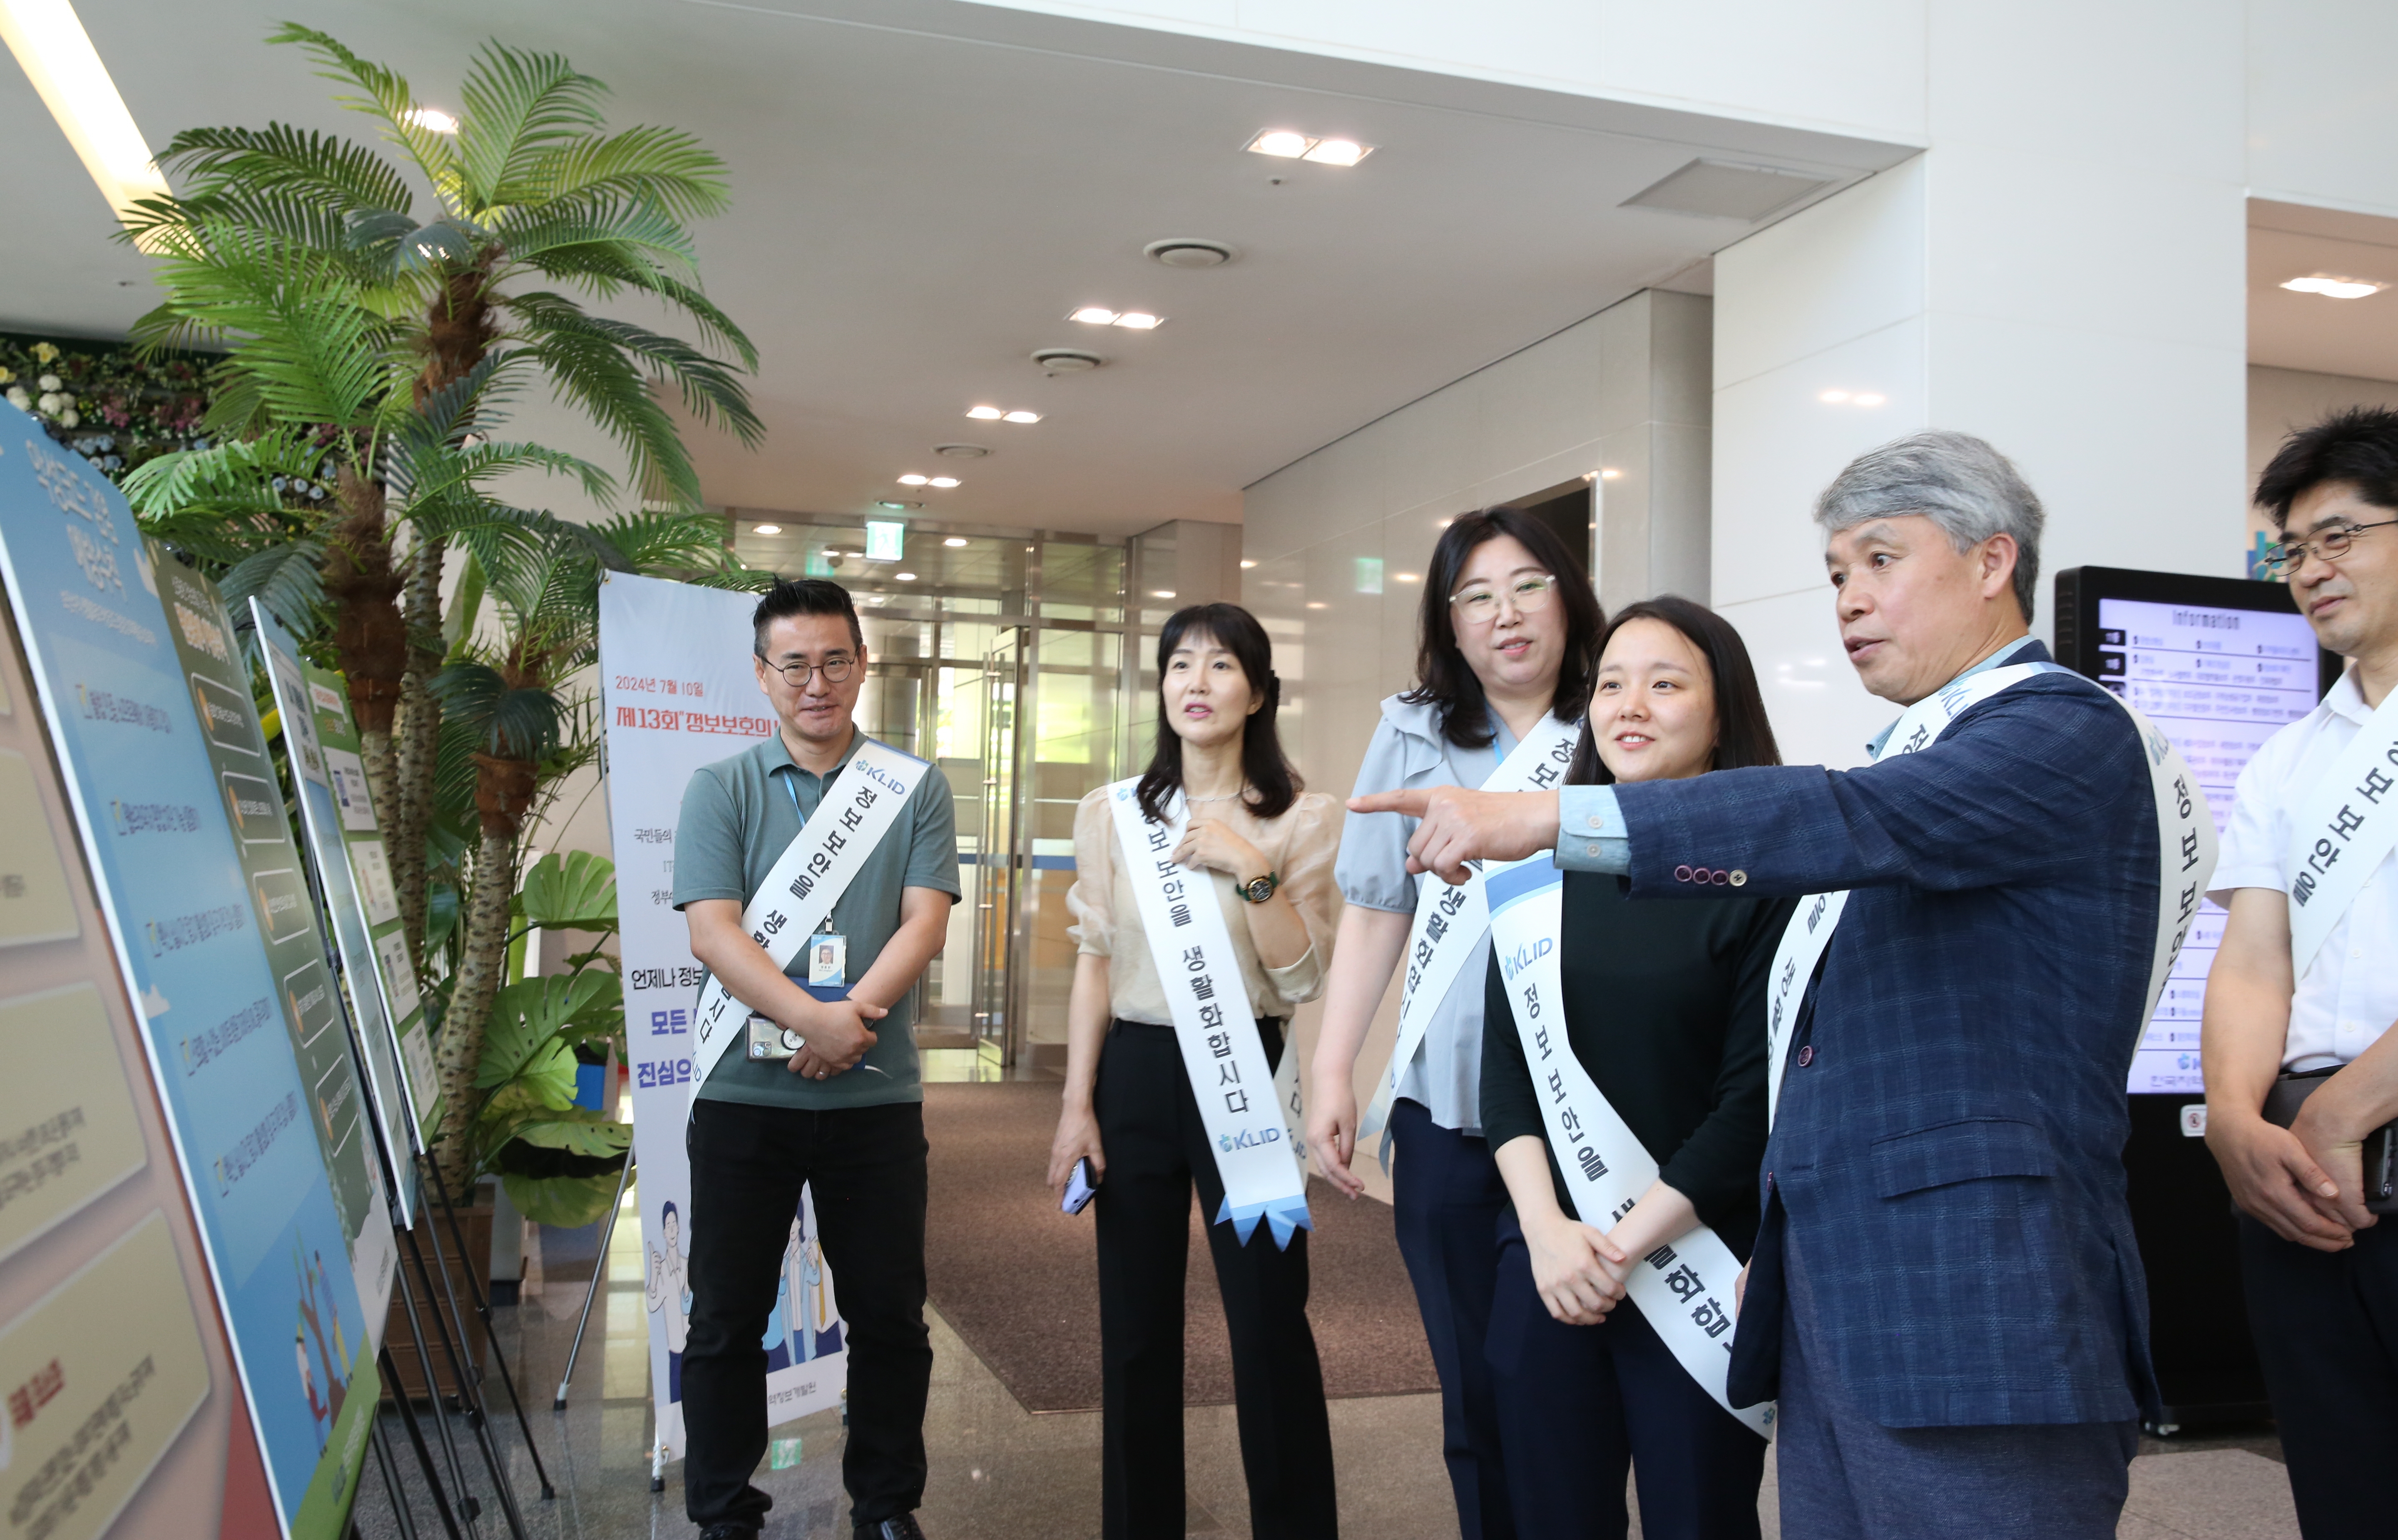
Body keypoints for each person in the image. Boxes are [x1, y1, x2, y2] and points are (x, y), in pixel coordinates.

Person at [1356, 432, 2205, 1539]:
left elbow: (1842, 818)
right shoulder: (1910, 753)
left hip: (1973, 1311)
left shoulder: (2056, 731)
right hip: (1834, 1301)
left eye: (1881, 561)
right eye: (1838, 573)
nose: (1851, 598)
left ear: (1993, 561)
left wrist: (1549, 816)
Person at [1305, 506, 1604, 1540]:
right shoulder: (1415, 728)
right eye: (1474, 595)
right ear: (1447, 619)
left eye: (1527, 584)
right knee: (1474, 1396)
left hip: (1589, 1121)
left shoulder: (1616, 716)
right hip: (1447, 1113)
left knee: (1566, 1400)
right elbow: (1378, 909)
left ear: (1568, 592)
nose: (1505, 614)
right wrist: (1335, 1068)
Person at [1478, 597, 1790, 1539]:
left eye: (1666, 683)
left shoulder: (1771, 881)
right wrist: (1543, 1230)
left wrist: (1619, 1246)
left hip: (1697, 1261)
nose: (1630, 705)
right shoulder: (1542, 876)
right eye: (1612, 683)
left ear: (1723, 711)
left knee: (1700, 1518)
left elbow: (1752, 1106)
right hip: (1546, 1262)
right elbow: (1506, 1078)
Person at [1047, 603, 1343, 1540]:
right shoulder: (1112, 812)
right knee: (1134, 1332)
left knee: (1266, 1326)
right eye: (1181, 664)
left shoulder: (1303, 815)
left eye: (1221, 666)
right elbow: (1094, 960)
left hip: (1244, 1073)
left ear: (1258, 691)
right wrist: (1075, 1104)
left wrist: (1251, 867)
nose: (1197, 683)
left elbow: (1301, 975)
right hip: (1135, 1071)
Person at [674, 578, 961, 1540]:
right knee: (725, 1317)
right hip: (742, 1095)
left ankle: (886, 1505)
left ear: (862, 664)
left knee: (889, 1316)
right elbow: (713, 932)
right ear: (763, 675)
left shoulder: (912, 786)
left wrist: (856, 1018)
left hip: (875, 1096)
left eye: (835, 659)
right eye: (793, 663)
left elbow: (926, 919)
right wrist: (815, 1020)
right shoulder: (721, 787)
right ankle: (723, 1509)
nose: (816, 681)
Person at [2202, 406, 2398, 1540]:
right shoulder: (2289, 754)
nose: (2310, 571)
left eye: (2340, 537)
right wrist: (2232, 1119)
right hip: (2300, 1178)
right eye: (2292, 550)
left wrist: (2343, 1112)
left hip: (2347, 1129)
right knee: (2342, 1483)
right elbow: (2252, 958)